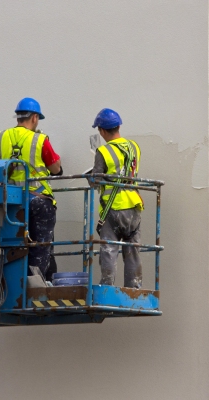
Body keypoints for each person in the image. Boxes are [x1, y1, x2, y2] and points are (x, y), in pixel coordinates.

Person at [0, 98, 62, 281]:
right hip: (38, 201)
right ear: (35, 118)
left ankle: (13, 285)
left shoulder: (0, 138)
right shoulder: (39, 139)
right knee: (40, 247)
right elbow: (56, 169)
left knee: (12, 246)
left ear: (18, 117)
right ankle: (34, 287)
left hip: (10, 203)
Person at [90, 108, 143, 288]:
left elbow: (96, 181)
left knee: (109, 250)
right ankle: (134, 287)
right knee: (133, 251)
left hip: (113, 209)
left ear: (102, 131)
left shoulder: (103, 151)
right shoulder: (134, 147)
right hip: (134, 207)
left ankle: (107, 287)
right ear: (118, 126)